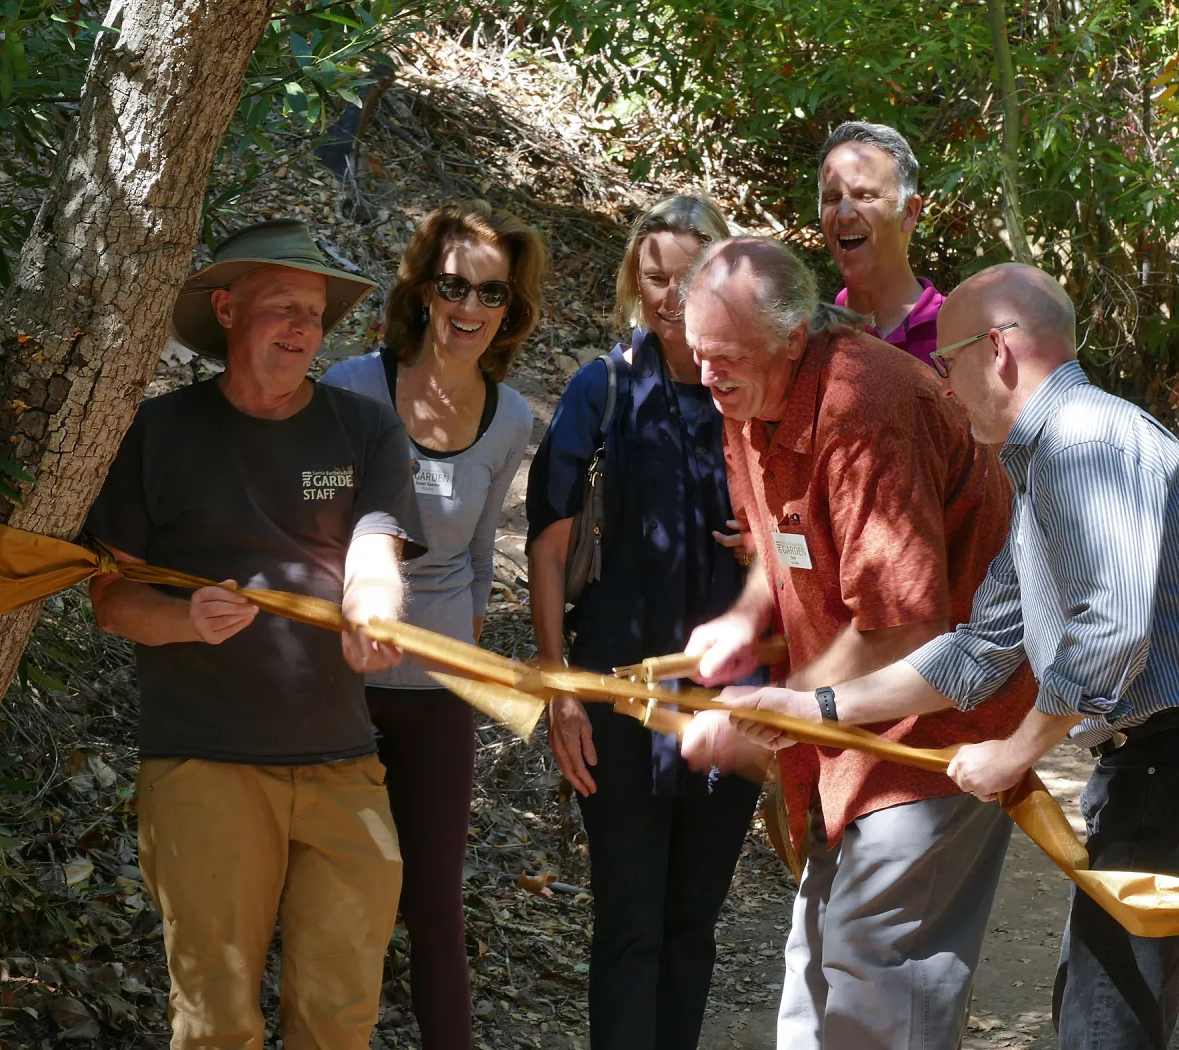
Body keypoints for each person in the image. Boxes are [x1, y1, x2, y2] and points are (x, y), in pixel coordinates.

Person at [721, 262, 1179, 1050]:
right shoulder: (1038, 463)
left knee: (1104, 1026)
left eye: (947, 362)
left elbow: (1110, 631)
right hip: (1147, 762)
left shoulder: (1087, 441)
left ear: (998, 350)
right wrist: (814, 708)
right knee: (1092, 1012)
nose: (945, 388)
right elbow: (979, 650)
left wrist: (1013, 751)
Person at [676, 237, 1037, 1050]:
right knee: (814, 983)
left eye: (727, 357)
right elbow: (785, 542)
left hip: (937, 727)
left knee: (879, 986)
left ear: (793, 337)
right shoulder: (748, 400)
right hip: (844, 728)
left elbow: (904, 627)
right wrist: (744, 620)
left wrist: (774, 709)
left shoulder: (865, 407)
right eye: (698, 354)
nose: (708, 376)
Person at [84, 218, 425, 1050]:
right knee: (216, 1021)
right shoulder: (158, 432)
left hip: (342, 762)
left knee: (340, 1016)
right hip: (204, 762)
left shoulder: (364, 429)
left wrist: (375, 605)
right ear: (227, 309)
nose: (303, 327)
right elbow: (112, 597)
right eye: (282, 306)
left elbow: (375, 549)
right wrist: (185, 620)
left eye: (314, 312)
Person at [525, 195, 762, 1050]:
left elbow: (813, 538)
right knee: (629, 923)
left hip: (730, 702)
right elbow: (549, 546)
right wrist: (559, 690)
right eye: (654, 276)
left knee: (692, 922)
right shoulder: (605, 389)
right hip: (617, 694)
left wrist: (765, 550)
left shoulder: (755, 398)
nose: (670, 295)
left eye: (688, 277)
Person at [321, 200, 543, 1049]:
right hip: (341, 681)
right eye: (454, 286)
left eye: (492, 292)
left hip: (440, 686)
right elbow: (314, 530)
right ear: (422, 291)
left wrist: (467, 638)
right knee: (339, 889)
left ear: (509, 308)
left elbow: (482, 555)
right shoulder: (352, 386)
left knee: (435, 902)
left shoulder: (510, 417)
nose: (470, 306)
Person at [818, 121, 944, 365]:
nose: (844, 215)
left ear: (909, 212)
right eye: (832, 199)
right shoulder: (811, 338)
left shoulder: (958, 334)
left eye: (865, 196)